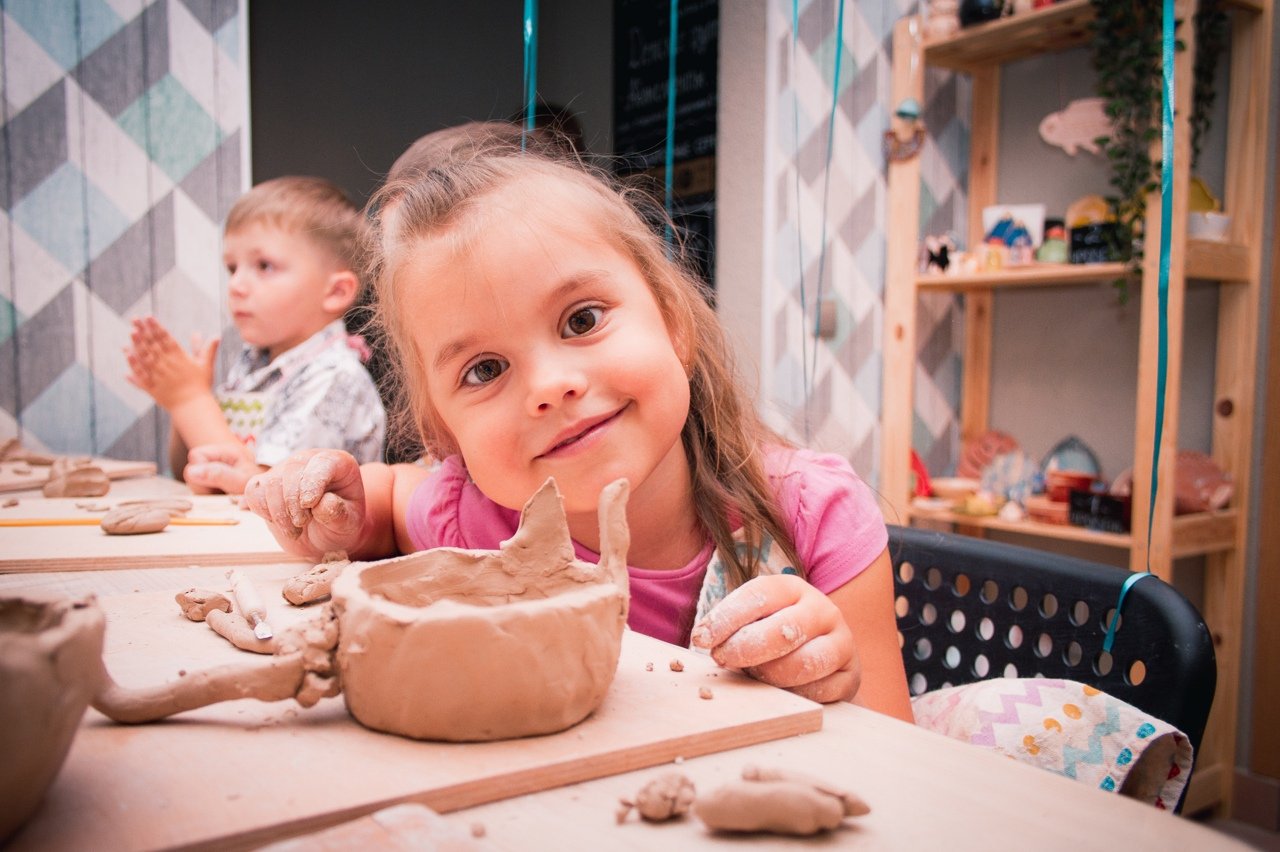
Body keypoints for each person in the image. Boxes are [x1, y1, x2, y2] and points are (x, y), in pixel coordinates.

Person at [242, 151, 912, 721]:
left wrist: (834, 685)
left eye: (582, 319)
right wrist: (344, 512)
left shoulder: (812, 516)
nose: (549, 385)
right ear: (443, 435)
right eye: (485, 369)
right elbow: (386, 502)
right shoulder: (469, 516)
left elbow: (901, 776)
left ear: (674, 322)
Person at [124, 176, 386, 494]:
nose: (236, 285)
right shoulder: (253, 362)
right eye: (233, 268)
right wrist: (187, 401)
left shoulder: (335, 376)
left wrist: (189, 399)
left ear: (335, 292)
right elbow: (190, 470)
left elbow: (271, 491)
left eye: (264, 266)